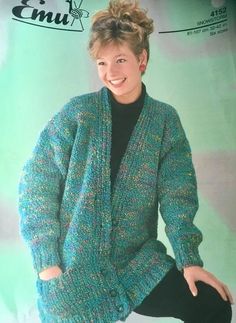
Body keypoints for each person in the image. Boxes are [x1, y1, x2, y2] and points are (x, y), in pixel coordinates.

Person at [18, 0, 233, 322]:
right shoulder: (77, 114)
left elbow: (178, 195)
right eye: (102, 63)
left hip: (138, 264)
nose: (111, 73)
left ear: (142, 59)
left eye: (120, 60)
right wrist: (48, 264)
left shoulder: (163, 121)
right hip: (76, 267)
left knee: (213, 307)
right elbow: (37, 185)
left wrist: (190, 261)